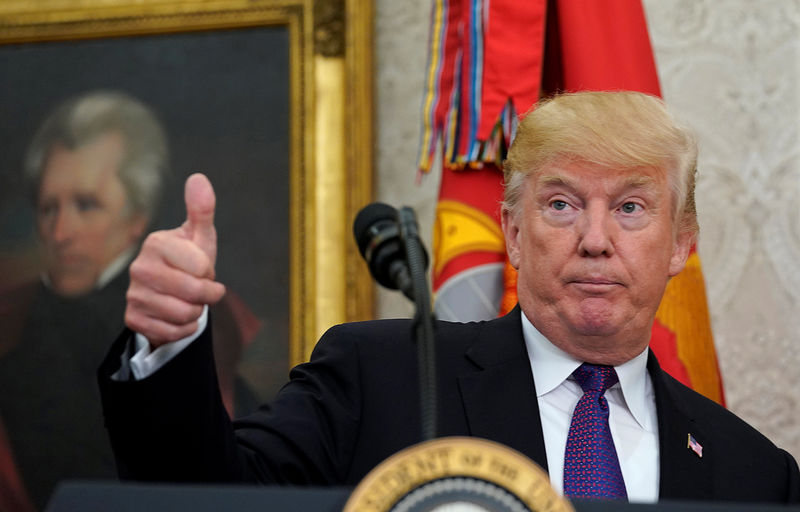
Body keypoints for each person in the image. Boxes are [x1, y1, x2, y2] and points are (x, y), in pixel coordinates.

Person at [97, 91, 799, 504]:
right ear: (514, 235)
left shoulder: (754, 476)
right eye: (560, 204)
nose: (594, 239)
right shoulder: (378, 378)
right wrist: (171, 343)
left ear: (680, 243)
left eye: (631, 208)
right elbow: (208, 499)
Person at [0, 90, 258, 511]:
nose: (60, 232)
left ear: (136, 217)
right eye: (49, 208)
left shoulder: (188, 318)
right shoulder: (13, 319)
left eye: (86, 206)